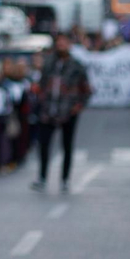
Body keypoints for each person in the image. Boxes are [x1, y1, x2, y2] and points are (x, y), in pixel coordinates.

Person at [30, 34, 92, 193]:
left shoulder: (76, 66)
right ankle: (42, 177)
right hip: (48, 110)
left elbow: (86, 90)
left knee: (67, 146)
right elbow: (40, 84)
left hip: (67, 112)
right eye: (59, 42)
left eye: (65, 42)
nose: (61, 45)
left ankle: (65, 179)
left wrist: (77, 106)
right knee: (44, 145)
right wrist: (40, 98)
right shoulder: (48, 63)